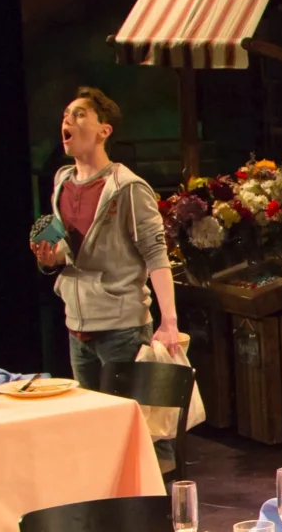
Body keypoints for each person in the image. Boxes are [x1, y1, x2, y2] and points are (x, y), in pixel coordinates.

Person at [30, 88, 182, 390]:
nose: (68, 121)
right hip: (76, 325)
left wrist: (169, 322)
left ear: (104, 131)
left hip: (121, 328)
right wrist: (51, 257)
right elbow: (68, 247)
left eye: (79, 114)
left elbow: (155, 255)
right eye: (65, 116)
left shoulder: (127, 188)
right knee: (94, 425)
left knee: (131, 420)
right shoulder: (62, 181)